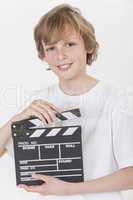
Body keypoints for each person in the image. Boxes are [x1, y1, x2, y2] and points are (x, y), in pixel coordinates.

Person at [0, 3, 133, 200]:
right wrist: (15, 120)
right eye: (51, 48)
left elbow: (130, 174)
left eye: (69, 44)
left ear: (87, 45)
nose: (60, 55)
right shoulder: (38, 101)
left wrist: (70, 189)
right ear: (43, 55)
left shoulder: (116, 100)